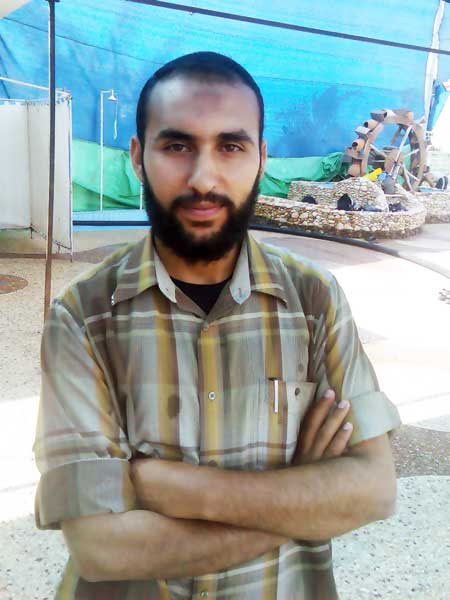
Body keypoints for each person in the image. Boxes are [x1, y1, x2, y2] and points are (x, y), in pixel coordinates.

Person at [34, 52, 401, 599]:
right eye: (177, 146)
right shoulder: (82, 317)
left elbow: (373, 490)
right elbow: (102, 548)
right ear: (137, 157)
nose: (204, 178)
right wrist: (302, 498)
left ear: (261, 158)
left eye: (231, 146)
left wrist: (176, 487)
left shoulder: (314, 299)